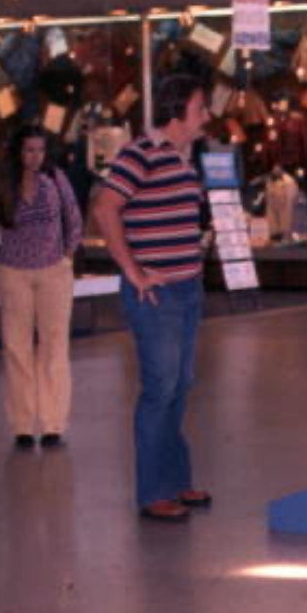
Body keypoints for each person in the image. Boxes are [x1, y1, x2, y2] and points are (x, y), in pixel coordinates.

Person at [92, 75, 212, 523]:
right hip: (157, 295)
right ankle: (153, 492)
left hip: (188, 288)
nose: (207, 115)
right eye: (201, 107)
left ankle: (177, 480)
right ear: (178, 110)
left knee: (180, 386)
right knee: (160, 389)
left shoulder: (182, 159)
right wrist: (133, 270)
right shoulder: (139, 153)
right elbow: (105, 208)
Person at [0, 125, 83, 450]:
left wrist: (68, 253)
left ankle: (53, 423)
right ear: (17, 152)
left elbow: (73, 217)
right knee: (17, 348)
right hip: (13, 273)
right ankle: (22, 424)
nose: (34, 156)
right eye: (28, 150)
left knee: (54, 347)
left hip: (53, 272)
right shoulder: (0, 187)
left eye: (39, 150)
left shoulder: (56, 179)